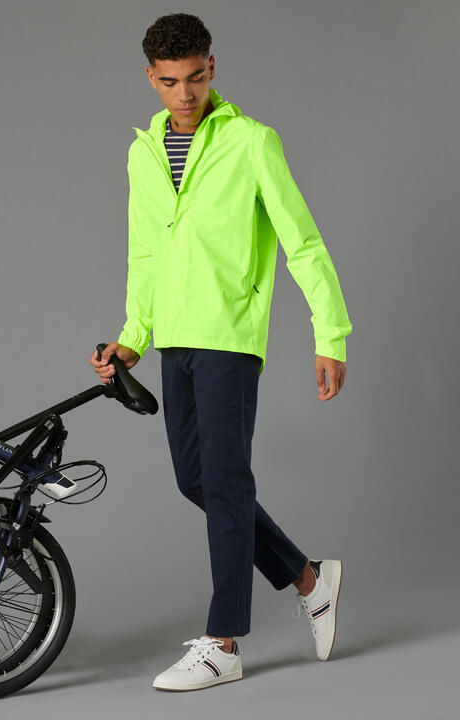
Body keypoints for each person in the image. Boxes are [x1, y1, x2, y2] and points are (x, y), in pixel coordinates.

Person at [88, 13, 352, 692]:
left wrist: (330, 334)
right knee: (195, 479)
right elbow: (145, 253)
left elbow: (302, 242)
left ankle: (224, 642)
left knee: (228, 482)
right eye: (170, 81)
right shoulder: (143, 153)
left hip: (230, 336)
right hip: (174, 339)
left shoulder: (251, 141)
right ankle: (309, 580)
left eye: (196, 78)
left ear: (212, 68)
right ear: (151, 78)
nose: (185, 94)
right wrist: (134, 335)